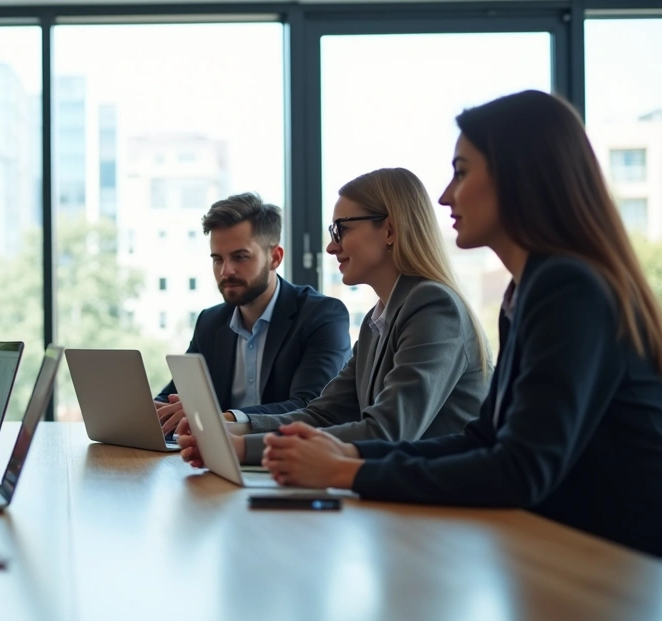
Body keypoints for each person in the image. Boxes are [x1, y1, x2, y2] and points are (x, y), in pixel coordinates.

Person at [253, 90, 662, 558]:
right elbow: (484, 438)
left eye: (461, 172)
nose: (446, 195)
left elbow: (520, 469)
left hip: (625, 569)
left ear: (518, 177)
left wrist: (346, 471)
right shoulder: (527, 291)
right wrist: (349, 455)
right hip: (575, 552)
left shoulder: (567, 286)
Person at [176, 168, 490, 467]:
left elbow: (385, 432)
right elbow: (321, 415)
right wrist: (225, 429)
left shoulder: (433, 306)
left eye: (342, 229)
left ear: (390, 230)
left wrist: (245, 448)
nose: (330, 246)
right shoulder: (375, 321)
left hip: (446, 512)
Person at [154, 193, 351, 434]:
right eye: (218, 259)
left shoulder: (321, 315)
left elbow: (309, 406)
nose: (226, 271)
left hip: (286, 458)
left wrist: (222, 418)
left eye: (240, 257)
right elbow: (175, 395)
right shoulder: (210, 322)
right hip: (215, 459)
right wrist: (152, 410)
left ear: (275, 257)